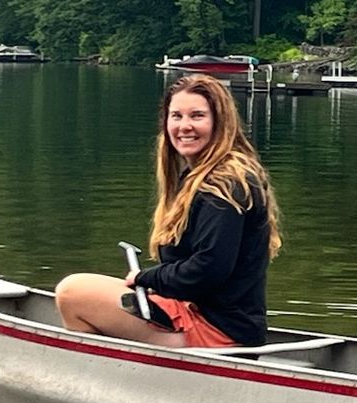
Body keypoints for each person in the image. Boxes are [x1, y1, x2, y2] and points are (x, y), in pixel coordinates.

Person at [55, 73, 282, 349]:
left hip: (219, 332)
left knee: (72, 293)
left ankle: (110, 380)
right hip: (203, 315)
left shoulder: (225, 183)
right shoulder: (202, 176)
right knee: (89, 292)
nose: (184, 126)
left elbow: (209, 269)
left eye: (197, 116)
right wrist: (153, 282)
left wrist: (146, 278)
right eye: (176, 116)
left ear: (220, 123)